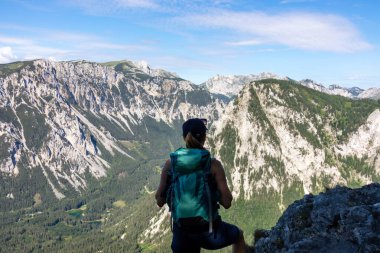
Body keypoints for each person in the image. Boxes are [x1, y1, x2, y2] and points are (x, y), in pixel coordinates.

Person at [155, 118, 247, 253]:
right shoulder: (213, 164)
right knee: (238, 235)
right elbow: (227, 202)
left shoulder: (171, 164)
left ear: (184, 137)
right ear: (205, 137)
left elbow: (159, 201)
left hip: (182, 235)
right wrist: (212, 191)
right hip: (209, 233)